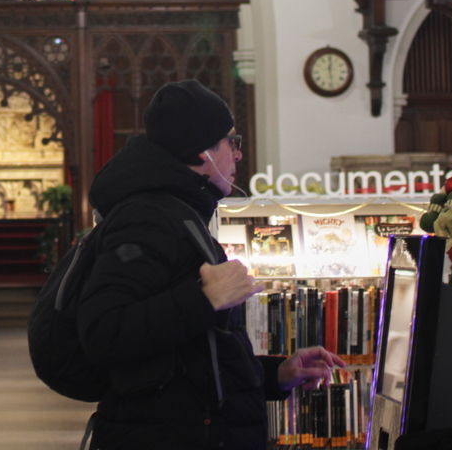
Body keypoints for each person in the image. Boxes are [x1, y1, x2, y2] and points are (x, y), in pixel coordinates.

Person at [77, 79, 345, 450]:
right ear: (202, 151)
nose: (237, 155)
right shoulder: (146, 218)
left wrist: (278, 374)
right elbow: (103, 332)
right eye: (231, 142)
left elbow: (196, 355)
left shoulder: (176, 212)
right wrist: (204, 299)